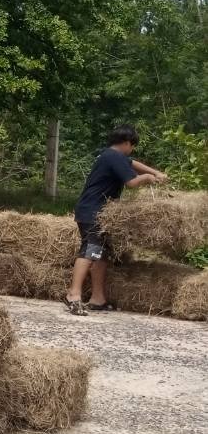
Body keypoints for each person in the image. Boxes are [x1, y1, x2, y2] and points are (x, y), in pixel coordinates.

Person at [66, 125, 168, 315]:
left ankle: (98, 298)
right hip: (93, 212)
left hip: (99, 212)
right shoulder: (114, 157)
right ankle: (73, 293)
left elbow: (132, 163)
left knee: (101, 254)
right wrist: (147, 177)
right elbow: (131, 183)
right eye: (132, 146)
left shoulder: (110, 155)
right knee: (90, 250)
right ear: (127, 143)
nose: (132, 150)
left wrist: (155, 172)